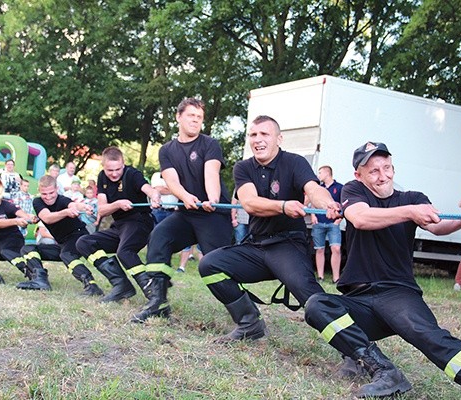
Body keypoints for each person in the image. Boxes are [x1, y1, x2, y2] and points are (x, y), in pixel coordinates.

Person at [303, 141, 461, 398]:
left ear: (393, 170)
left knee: (429, 338)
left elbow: (437, 225)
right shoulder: (355, 192)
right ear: (358, 175)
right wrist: (410, 213)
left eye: (387, 168)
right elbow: (361, 219)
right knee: (318, 306)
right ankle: (384, 371)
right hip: (360, 299)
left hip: (398, 295)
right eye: (373, 170)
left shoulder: (413, 198)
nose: (382, 175)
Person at [198, 115, 339, 342]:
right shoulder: (243, 167)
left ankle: (357, 350)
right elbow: (250, 203)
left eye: (265, 134)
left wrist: (329, 204)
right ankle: (249, 324)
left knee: (311, 297)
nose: (258, 140)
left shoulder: (295, 162)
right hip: (257, 246)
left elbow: (313, 189)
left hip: (288, 245)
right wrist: (283, 206)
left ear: (279, 138)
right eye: (253, 135)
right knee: (210, 265)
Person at [131, 97, 233, 323]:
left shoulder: (210, 144)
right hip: (186, 213)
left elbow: (211, 175)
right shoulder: (167, 150)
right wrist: (186, 197)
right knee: (159, 237)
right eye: (191, 116)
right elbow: (172, 180)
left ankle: (247, 315)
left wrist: (212, 199)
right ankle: (158, 302)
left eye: (199, 117)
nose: (196, 120)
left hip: (213, 214)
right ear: (179, 117)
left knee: (221, 264)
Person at [76, 146, 160, 303]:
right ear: (103, 166)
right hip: (119, 225)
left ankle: (155, 295)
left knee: (125, 252)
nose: (114, 174)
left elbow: (149, 190)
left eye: (118, 169)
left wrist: (155, 197)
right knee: (85, 243)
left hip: (139, 222)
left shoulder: (132, 174)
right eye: (110, 170)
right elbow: (102, 209)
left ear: (123, 164)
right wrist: (118, 204)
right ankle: (121, 285)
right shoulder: (102, 177)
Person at [18, 175, 104, 295]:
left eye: (51, 193)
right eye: (44, 194)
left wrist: (84, 207)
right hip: (62, 243)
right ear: (39, 191)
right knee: (28, 249)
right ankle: (40, 280)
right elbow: (47, 218)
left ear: (57, 189)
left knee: (66, 255)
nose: (48, 197)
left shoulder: (62, 199)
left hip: (78, 236)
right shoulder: (37, 202)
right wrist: (65, 213)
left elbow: (73, 205)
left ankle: (92, 285)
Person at [0, 178, 49, 289]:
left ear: (2, 193)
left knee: (7, 252)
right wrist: (16, 221)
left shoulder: (7, 205)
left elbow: (23, 214)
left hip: (12, 242)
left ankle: (34, 276)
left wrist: (31, 218)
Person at [309, 165, 343, 282]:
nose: (318, 176)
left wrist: (338, 220)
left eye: (320, 173)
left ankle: (336, 278)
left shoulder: (339, 188)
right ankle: (320, 276)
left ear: (327, 173)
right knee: (319, 249)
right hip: (319, 223)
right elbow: (313, 201)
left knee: (336, 248)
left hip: (333, 224)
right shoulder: (318, 188)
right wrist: (313, 215)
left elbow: (343, 205)